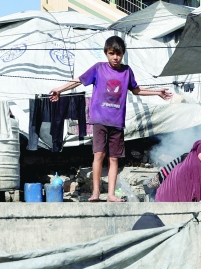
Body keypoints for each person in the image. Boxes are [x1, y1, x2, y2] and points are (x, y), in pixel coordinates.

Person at [50, 35, 171, 202]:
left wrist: (157, 92)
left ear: (123, 54)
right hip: (99, 120)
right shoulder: (98, 68)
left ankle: (111, 195)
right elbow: (78, 80)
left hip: (117, 122)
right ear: (106, 53)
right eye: (112, 53)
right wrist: (59, 90)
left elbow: (135, 90)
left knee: (113, 158)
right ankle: (96, 193)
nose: (115, 57)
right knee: (98, 155)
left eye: (119, 54)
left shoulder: (127, 71)